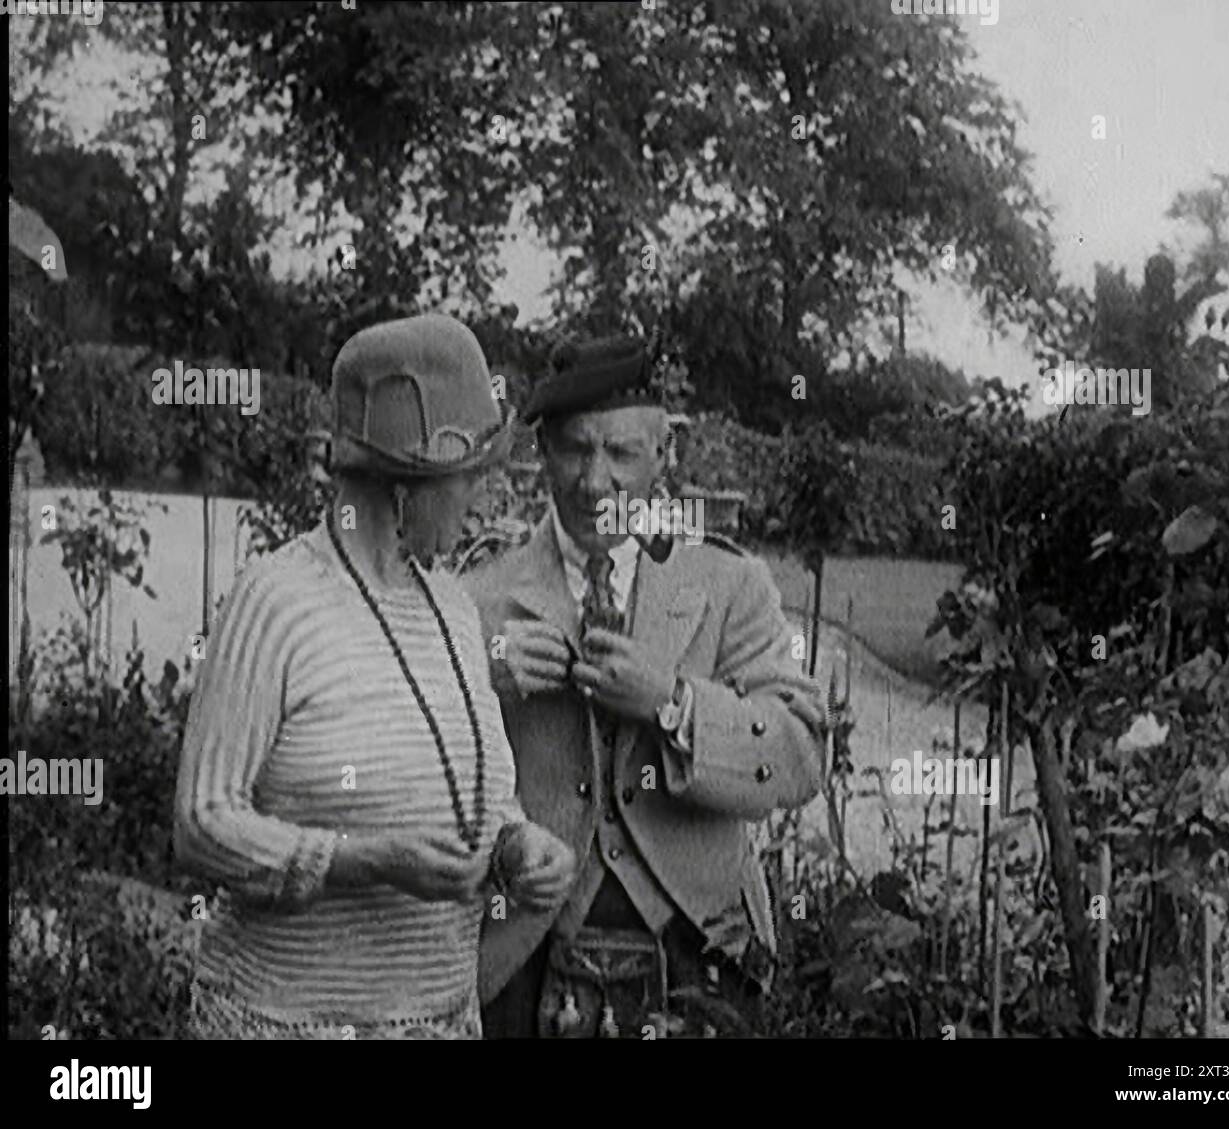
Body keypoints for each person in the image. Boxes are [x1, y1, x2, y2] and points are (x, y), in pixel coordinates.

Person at [174, 312, 575, 1040]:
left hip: (438, 1020)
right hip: (289, 1021)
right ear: (404, 484)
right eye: (472, 477)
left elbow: (477, 792)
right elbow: (202, 824)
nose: (486, 499)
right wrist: (362, 862)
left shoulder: (452, 608)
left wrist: (518, 845)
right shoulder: (276, 602)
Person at [465, 333, 826, 1038]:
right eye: (573, 448)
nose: (594, 481)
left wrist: (673, 702)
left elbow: (802, 755)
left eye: (622, 453)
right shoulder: (478, 596)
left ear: (665, 457)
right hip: (520, 953)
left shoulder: (728, 586)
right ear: (539, 451)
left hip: (701, 949)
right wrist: (480, 678)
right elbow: (412, 761)